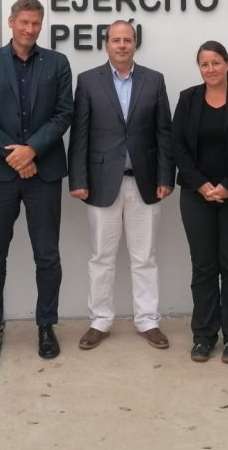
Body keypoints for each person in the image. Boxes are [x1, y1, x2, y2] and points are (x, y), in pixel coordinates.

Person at [0, 0, 73, 361]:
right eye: (24, 22)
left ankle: (46, 326)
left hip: (44, 172)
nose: (30, 29)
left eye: (36, 23)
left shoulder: (57, 63)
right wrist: (15, 155)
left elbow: (63, 113)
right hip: (0, 174)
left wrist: (32, 150)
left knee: (48, 255)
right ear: (11, 22)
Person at [69, 20, 175, 351]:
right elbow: (80, 134)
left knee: (145, 257)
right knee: (102, 257)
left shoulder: (154, 80)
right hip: (101, 182)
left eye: (127, 40)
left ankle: (148, 320)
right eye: (116, 40)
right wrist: (78, 179)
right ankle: (99, 321)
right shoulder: (88, 81)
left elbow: (164, 132)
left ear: (135, 44)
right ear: (106, 45)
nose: (122, 45)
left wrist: (165, 176)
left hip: (145, 183)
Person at [171, 40, 228, 363]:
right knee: (203, 266)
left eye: (215, 62)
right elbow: (177, 145)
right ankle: (204, 336)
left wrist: (227, 186)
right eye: (204, 64)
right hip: (196, 196)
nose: (210, 69)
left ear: (227, 63)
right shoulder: (188, 98)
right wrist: (201, 184)